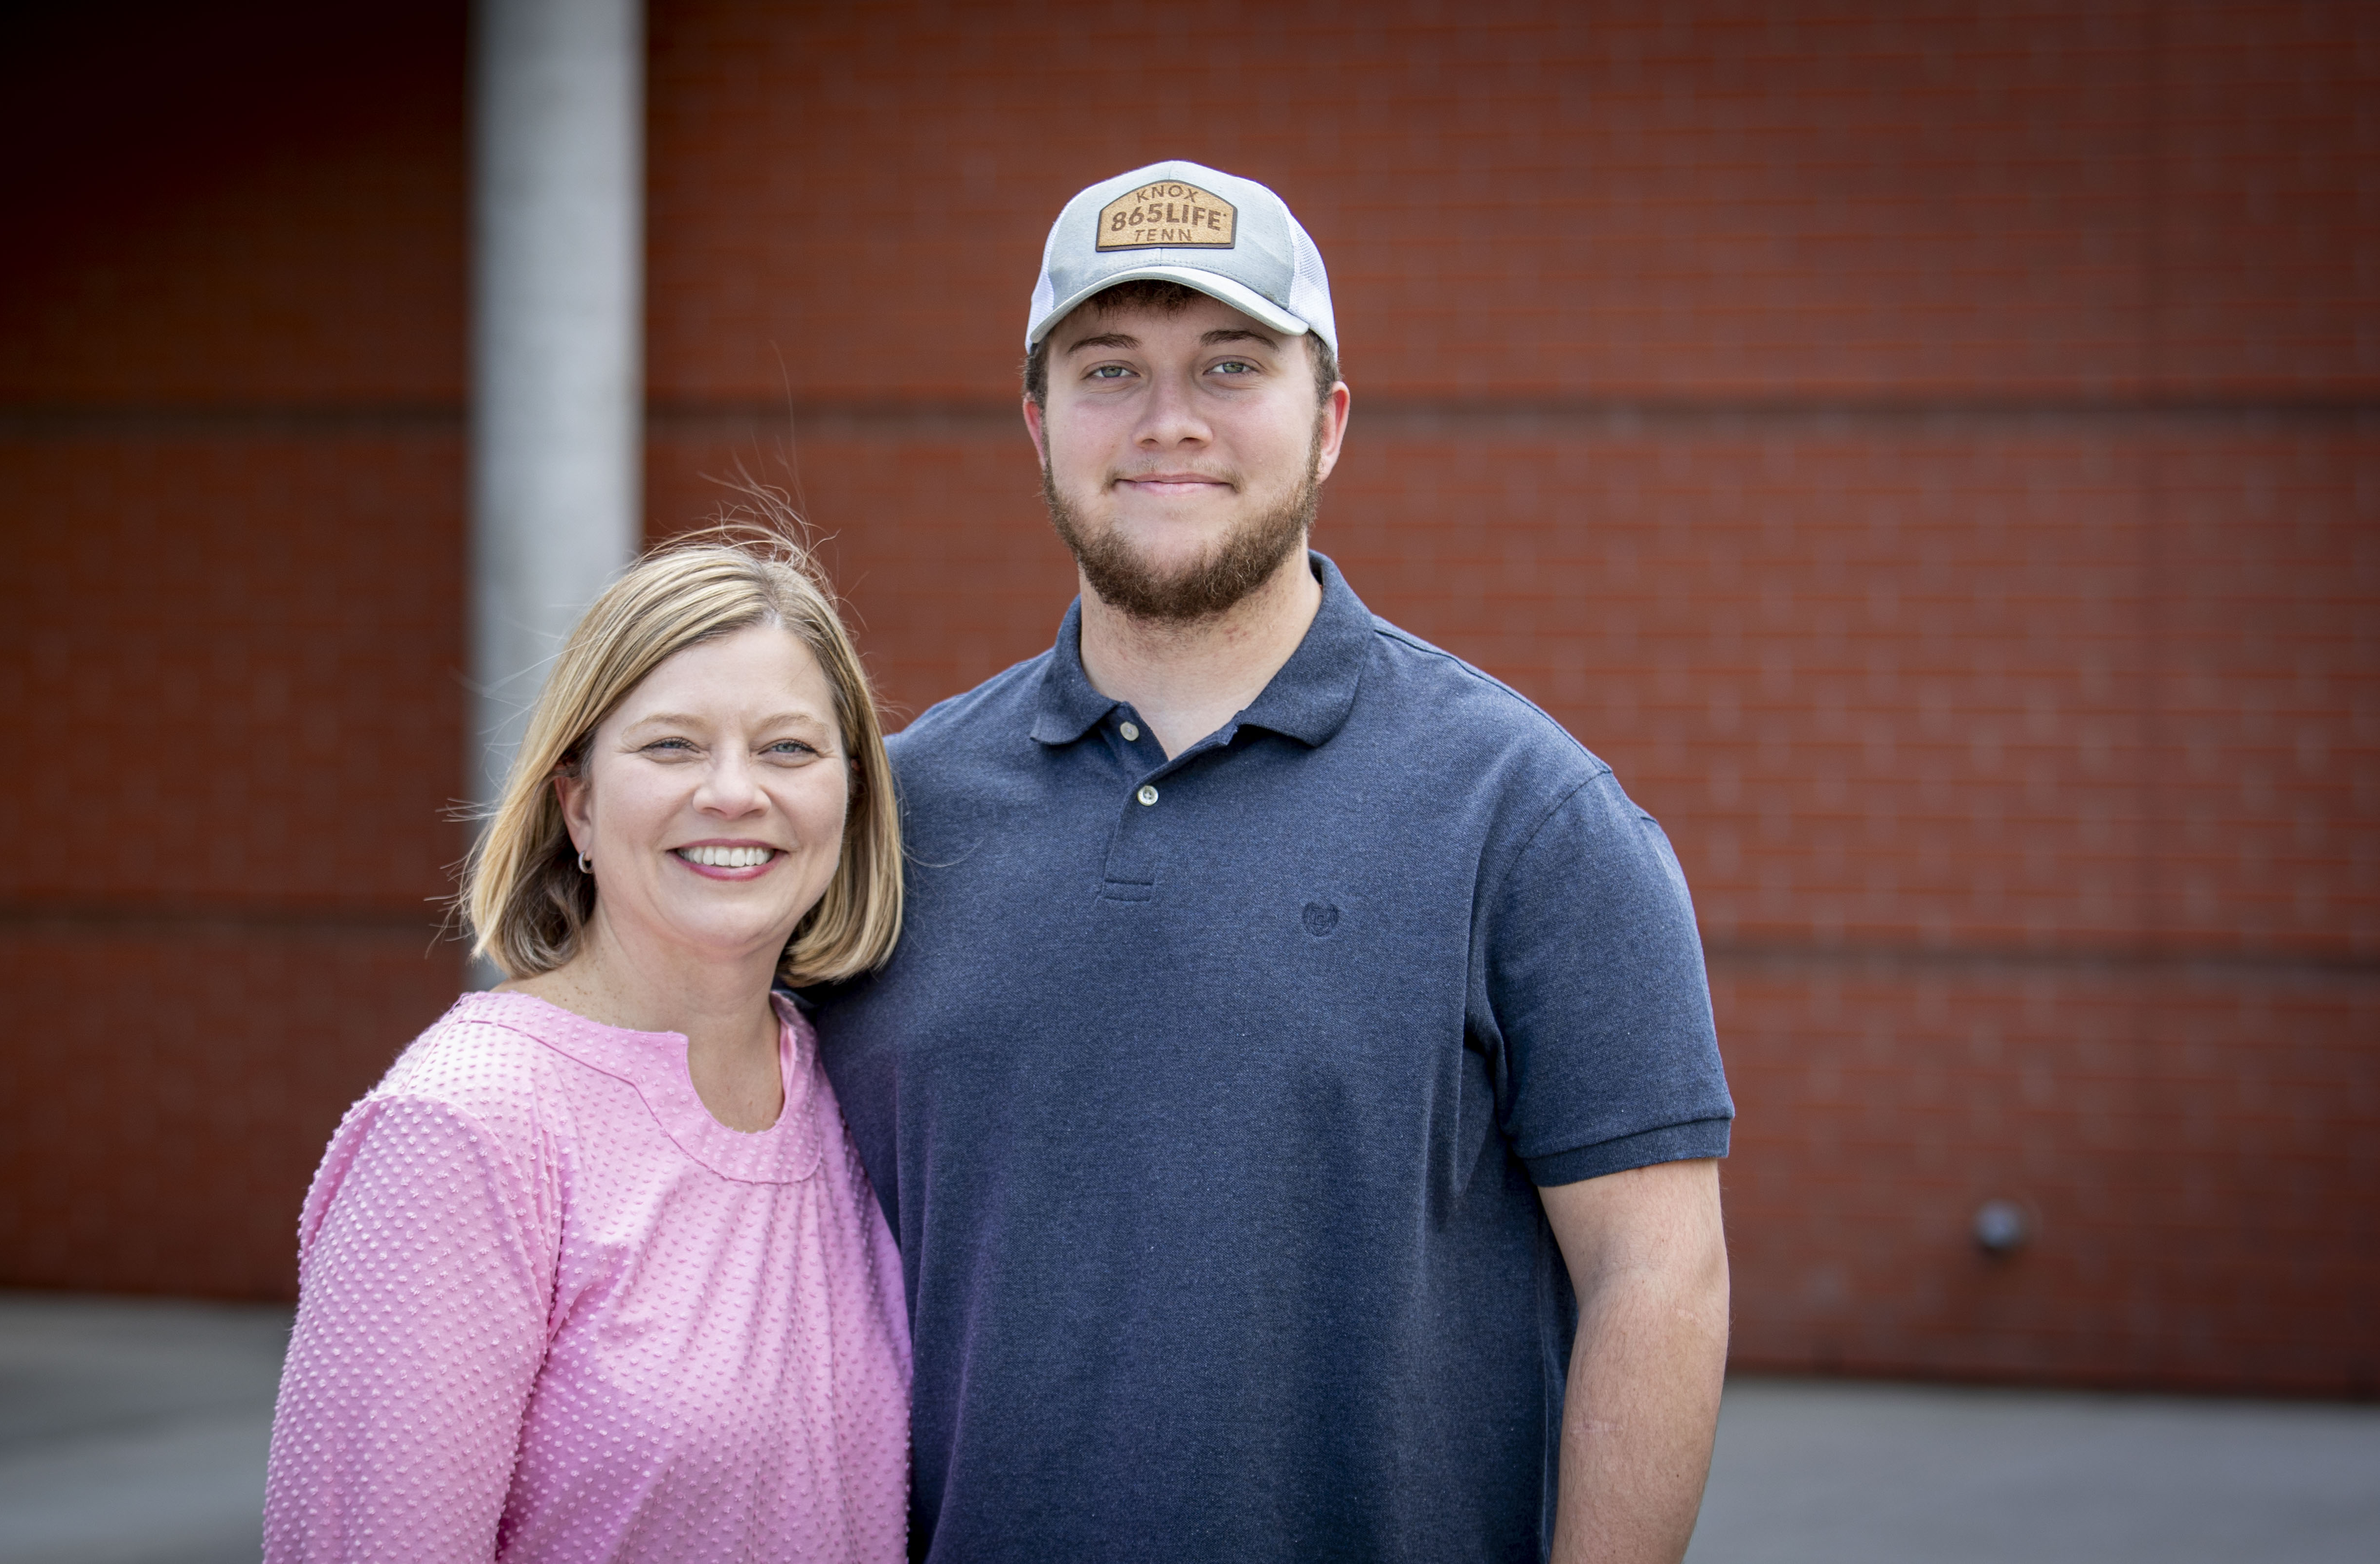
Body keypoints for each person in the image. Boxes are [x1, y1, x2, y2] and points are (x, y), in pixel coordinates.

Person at [807, 160, 1736, 1562]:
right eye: (1107, 367)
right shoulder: (891, 809)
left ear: (1329, 422)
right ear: (1036, 422)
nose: (1166, 420)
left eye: (1229, 364)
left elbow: (1654, 1274)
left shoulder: (1529, 813)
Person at [263, 536, 911, 1563]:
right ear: (578, 806)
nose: (736, 793)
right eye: (671, 747)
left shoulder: (855, 1084)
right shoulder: (462, 1126)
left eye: (789, 748)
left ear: (850, 797)